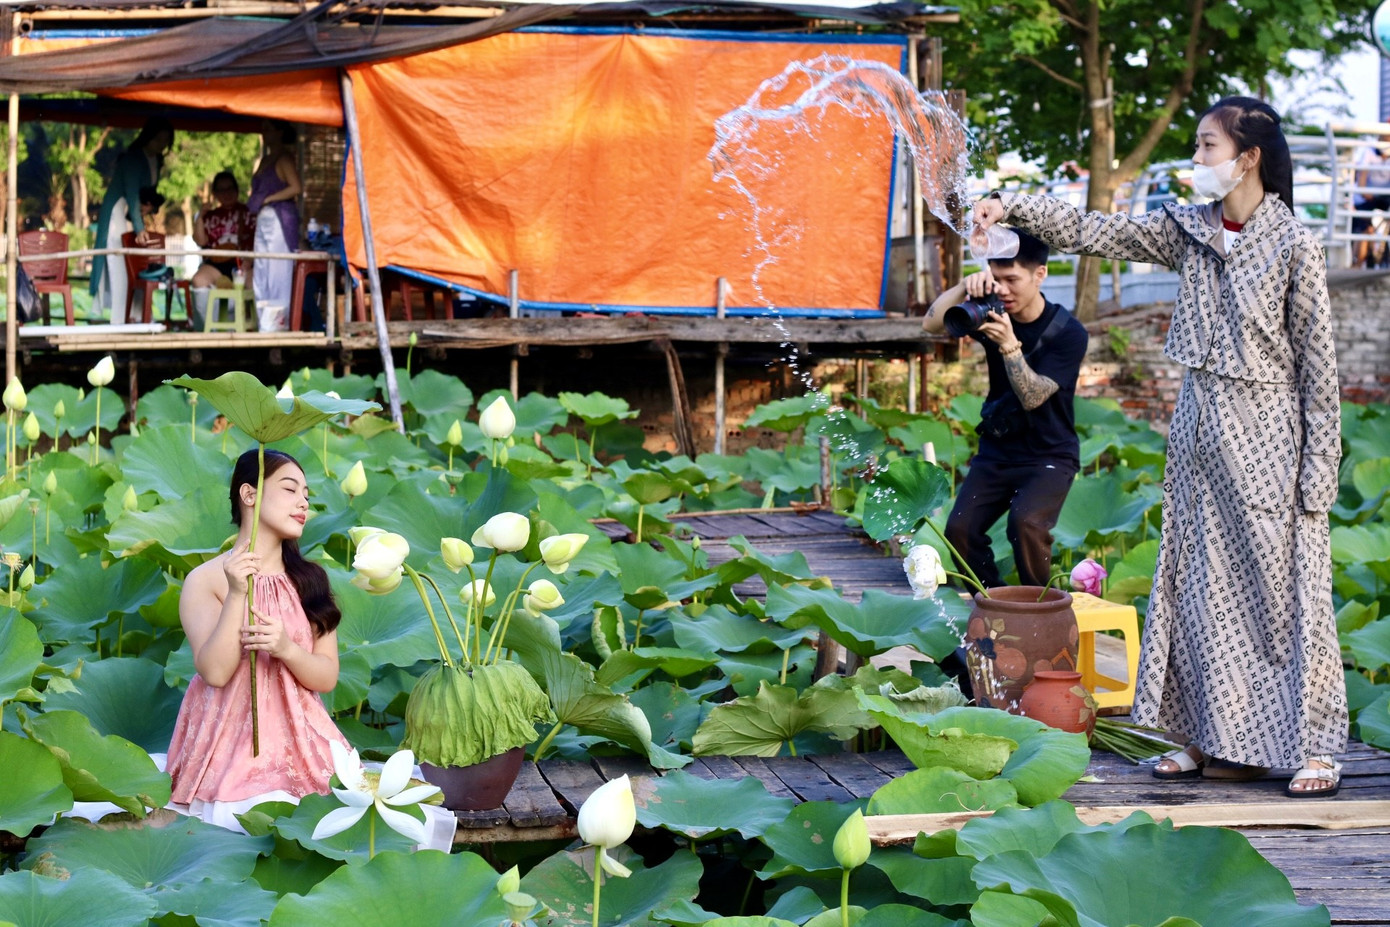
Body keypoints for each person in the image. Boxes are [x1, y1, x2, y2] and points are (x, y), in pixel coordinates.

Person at [972, 96, 1346, 797]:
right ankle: (1200, 739)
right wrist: (1009, 203)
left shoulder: (1293, 241)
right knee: (1197, 586)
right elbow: (1093, 228)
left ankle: (1315, 745)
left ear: (1249, 156)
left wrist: (1318, 472)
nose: (1196, 159)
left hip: (1269, 439)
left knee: (1284, 596)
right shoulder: (1187, 231)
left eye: (1206, 146)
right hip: (1199, 433)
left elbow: (1319, 371)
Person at [166, 449, 348, 828]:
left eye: (306, 495)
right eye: (289, 489)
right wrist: (237, 594)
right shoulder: (205, 580)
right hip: (225, 748)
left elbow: (326, 677)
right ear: (249, 495)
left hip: (299, 744)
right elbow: (215, 672)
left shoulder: (311, 581)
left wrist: (286, 649)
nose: (303, 502)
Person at [922, 230, 1089, 590]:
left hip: (1050, 453)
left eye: (1012, 280)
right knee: (960, 530)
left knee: (1026, 524)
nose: (1004, 290)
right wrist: (966, 287)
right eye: (996, 280)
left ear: (1039, 274)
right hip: (998, 451)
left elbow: (1033, 397)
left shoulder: (1069, 332)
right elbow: (931, 323)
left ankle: (1041, 611)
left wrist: (1010, 346)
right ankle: (995, 603)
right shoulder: (990, 313)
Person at [90, 117, 173, 324]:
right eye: (158, 139)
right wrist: (139, 227)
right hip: (117, 217)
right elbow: (132, 193)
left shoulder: (157, 160)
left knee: (138, 270)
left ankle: (140, 316)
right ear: (148, 137)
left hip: (133, 216)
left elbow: (148, 194)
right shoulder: (133, 159)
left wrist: (151, 208)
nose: (161, 144)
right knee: (121, 267)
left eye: (165, 140)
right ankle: (119, 321)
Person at [247, 120, 302, 329]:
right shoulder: (266, 159)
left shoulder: (284, 158)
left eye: (269, 128)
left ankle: (278, 323)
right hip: (263, 218)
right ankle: (264, 323)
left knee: (277, 270)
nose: (264, 132)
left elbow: (296, 187)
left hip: (279, 217)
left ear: (280, 132)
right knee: (261, 269)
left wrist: (269, 199)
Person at [190, 170, 255, 327]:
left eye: (230, 188)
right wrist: (200, 217)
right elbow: (200, 240)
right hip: (216, 264)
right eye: (221, 190)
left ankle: (253, 329)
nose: (226, 193)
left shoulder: (249, 212)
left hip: (243, 263)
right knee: (198, 281)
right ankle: (210, 329)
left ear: (237, 190)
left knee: (255, 283)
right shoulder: (209, 216)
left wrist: (250, 260)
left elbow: (258, 242)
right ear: (215, 193)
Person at [1351, 135, 1390, 268]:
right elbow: (1362, 184)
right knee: (1366, 228)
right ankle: (1358, 263)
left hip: (1384, 197)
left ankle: (1378, 255)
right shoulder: (1369, 152)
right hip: (1365, 197)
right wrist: (1370, 196)